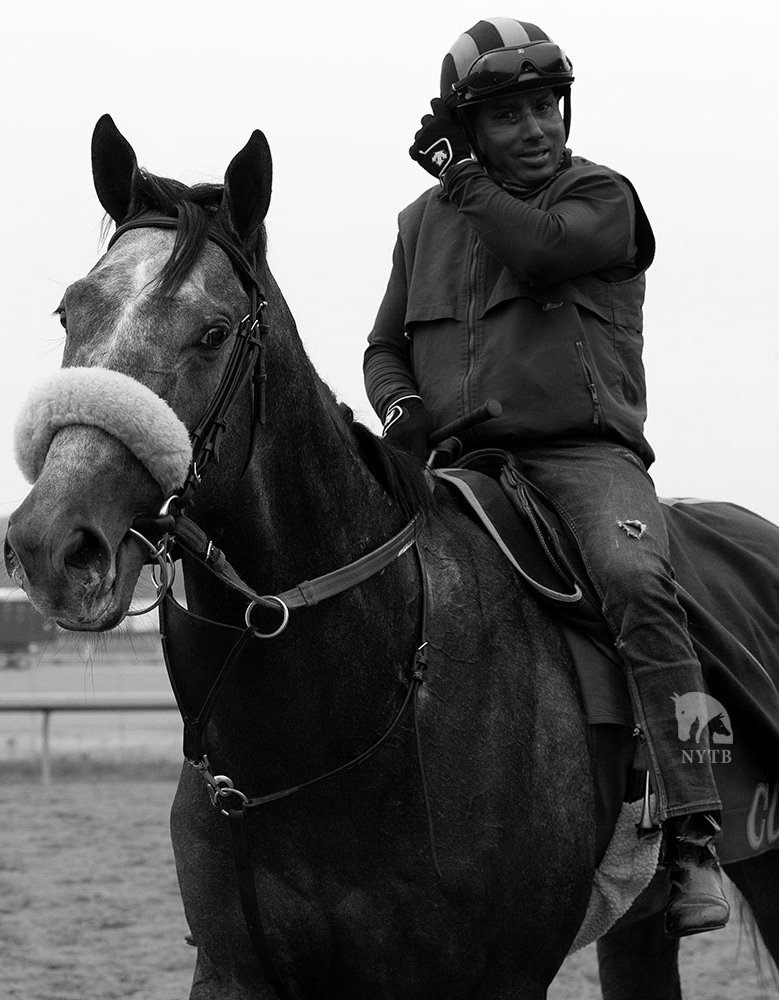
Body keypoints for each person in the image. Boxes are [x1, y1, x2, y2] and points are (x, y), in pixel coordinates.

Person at [363, 16, 729, 938]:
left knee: (637, 581)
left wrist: (463, 179)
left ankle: (691, 827)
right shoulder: (420, 227)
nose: (537, 128)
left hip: (583, 458)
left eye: (545, 107)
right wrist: (403, 416)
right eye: (510, 114)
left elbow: (536, 248)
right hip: (458, 467)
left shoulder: (602, 197)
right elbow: (383, 350)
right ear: (469, 123)